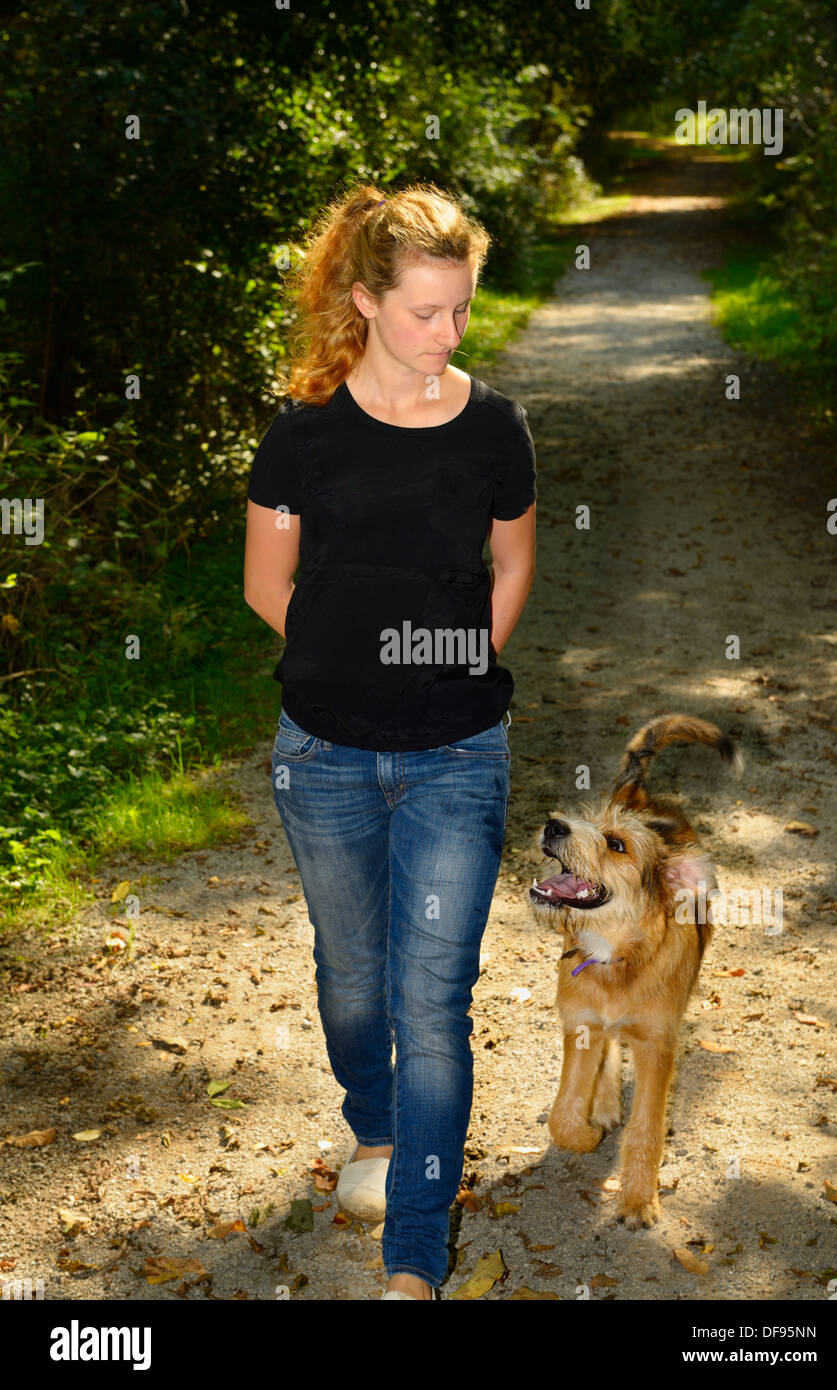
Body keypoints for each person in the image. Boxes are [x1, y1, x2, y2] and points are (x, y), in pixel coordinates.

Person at [243, 182, 536, 1300]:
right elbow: (270, 584)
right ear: (365, 300)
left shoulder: (497, 426)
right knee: (354, 975)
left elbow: (512, 561)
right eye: (424, 311)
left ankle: (415, 1245)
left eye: (462, 310)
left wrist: (459, 660)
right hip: (323, 751)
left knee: (434, 995)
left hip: (462, 747)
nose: (447, 334)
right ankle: (372, 1121)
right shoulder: (302, 436)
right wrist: (352, 656)